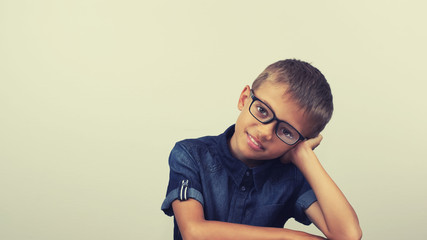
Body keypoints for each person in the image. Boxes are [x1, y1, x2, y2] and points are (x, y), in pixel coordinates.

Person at [161, 59, 362, 240]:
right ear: (243, 98)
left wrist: (304, 155)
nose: (266, 133)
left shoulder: (291, 178)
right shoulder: (191, 155)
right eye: (262, 110)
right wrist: (287, 238)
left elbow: (348, 236)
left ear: (299, 141)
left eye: (287, 132)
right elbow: (194, 233)